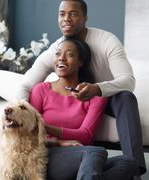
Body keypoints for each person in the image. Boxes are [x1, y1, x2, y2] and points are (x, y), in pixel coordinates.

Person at [18, 0, 147, 178]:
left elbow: (128, 81)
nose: (66, 19)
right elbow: (25, 85)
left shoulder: (106, 41)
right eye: (62, 14)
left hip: (105, 94)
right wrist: (26, 116)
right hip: (66, 134)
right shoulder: (57, 50)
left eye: (73, 14)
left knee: (126, 98)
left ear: (85, 18)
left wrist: (98, 89)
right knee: (95, 155)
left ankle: (135, 170)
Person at [29, 37, 138, 180]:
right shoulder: (41, 90)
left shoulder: (95, 96)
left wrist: (45, 127)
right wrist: (59, 142)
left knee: (129, 163)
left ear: (81, 62)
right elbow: (29, 131)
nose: (61, 58)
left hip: (82, 157)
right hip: (48, 153)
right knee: (96, 152)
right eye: (58, 54)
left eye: (69, 54)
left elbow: (85, 135)